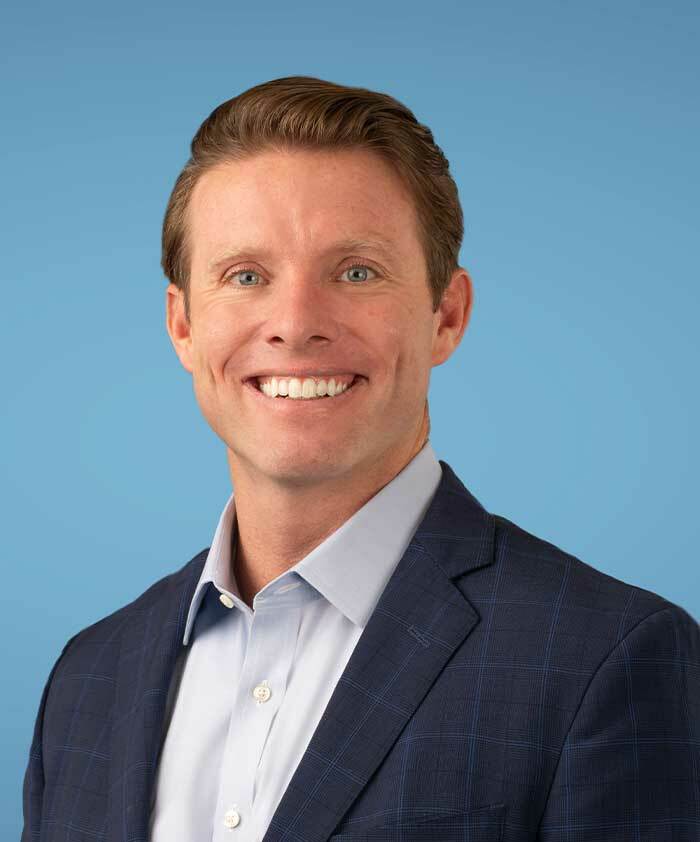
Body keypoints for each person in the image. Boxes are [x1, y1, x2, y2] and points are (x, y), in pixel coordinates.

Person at [22, 76, 700, 842]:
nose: (296, 323)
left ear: (447, 315)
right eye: (246, 276)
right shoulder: (88, 678)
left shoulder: (606, 658)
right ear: (182, 324)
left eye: (356, 272)